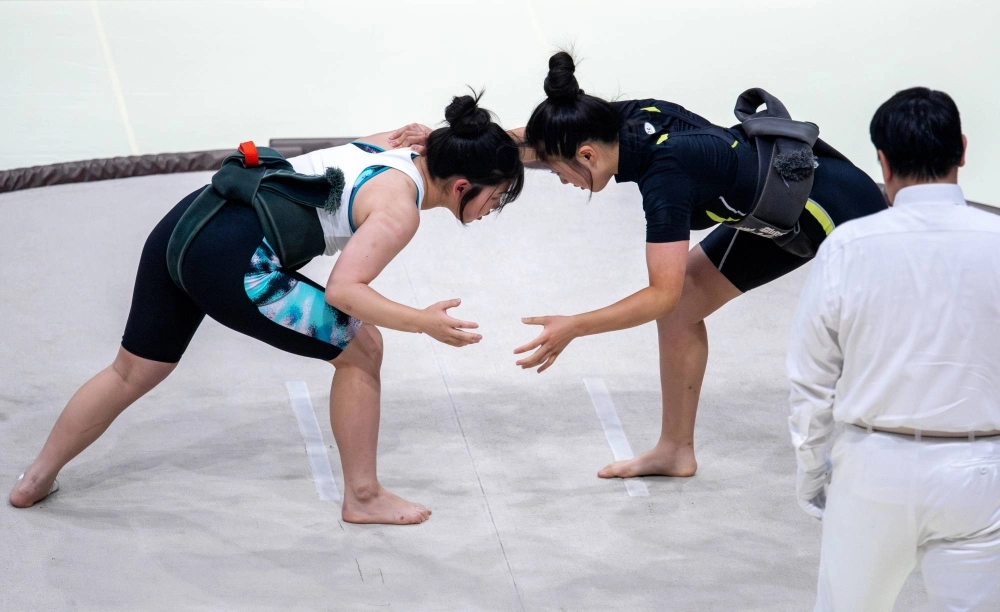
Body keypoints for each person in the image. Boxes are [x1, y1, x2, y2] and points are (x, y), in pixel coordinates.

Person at [9, 94, 524, 525]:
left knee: (132, 370)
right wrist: (422, 322)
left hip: (187, 222)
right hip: (235, 262)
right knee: (363, 345)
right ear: (461, 186)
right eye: (495, 198)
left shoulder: (392, 143)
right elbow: (345, 291)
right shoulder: (398, 210)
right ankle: (363, 497)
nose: (491, 211)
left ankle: (35, 479)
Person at [392, 51, 887, 479]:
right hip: (771, 209)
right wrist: (447, 142)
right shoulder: (618, 122)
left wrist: (576, 326)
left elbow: (660, 293)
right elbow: (538, 139)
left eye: (560, 170)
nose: (558, 179)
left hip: (839, 212)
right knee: (684, 310)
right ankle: (675, 452)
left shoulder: (666, 177)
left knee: (875, 339)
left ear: (586, 154)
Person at [787, 87, 1000, 611]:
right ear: (963, 150)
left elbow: (811, 380)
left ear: (881, 160)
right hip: (981, 472)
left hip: (873, 469)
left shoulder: (848, 248)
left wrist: (813, 471)